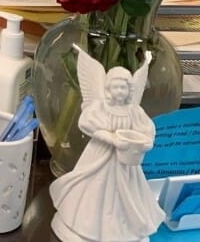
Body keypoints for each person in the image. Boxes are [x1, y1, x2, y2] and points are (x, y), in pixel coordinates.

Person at [49, 51, 166, 241]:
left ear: (130, 90)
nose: (120, 91)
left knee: (124, 197)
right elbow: (87, 125)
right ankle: (86, 228)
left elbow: (148, 130)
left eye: (124, 87)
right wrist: (112, 140)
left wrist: (145, 143)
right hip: (100, 157)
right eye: (116, 87)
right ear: (108, 88)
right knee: (93, 191)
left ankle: (121, 231)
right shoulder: (100, 107)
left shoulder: (134, 111)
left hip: (126, 163)